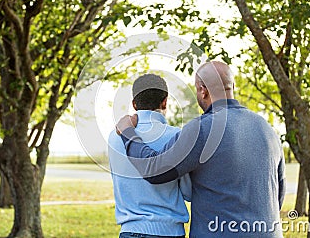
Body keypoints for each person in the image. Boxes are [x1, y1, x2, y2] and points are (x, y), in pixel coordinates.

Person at [116, 61, 286, 238]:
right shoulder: (268, 129)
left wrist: (128, 131)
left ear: (203, 90)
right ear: (232, 86)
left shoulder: (203, 129)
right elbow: (278, 195)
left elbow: (154, 169)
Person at [108, 74, 192, 238]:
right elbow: (188, 192)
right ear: (165, 102)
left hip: (129, 231)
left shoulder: (115, 136)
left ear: (134, 104)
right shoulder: (176, 136)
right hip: (169, 232)